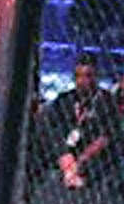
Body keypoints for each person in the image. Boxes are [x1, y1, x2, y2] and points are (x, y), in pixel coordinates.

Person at [41, 54, 119, 190]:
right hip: (63, 152)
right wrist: (65, 155)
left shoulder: (107, 101)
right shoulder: (64, 99)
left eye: (87, 76)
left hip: (92, 154)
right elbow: (51, 129)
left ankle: (72, 175)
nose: (81, 81)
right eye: (78, 76)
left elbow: (105, 137)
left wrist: (80, 160)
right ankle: (70, 174)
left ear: (96, 77)